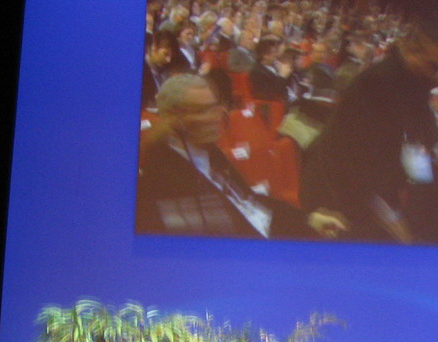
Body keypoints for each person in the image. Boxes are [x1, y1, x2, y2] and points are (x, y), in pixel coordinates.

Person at [301, 21, 438, 245]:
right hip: (337, 183)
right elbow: (361, 163)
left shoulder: (414, 76)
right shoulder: (376, 84)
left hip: (376, 177)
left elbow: (425, 119)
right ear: (411, 52)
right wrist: (392, 217)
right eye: (434, 67)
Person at [135, 74, 347, 240]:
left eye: (215, 106)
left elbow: (248, 202)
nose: (217, 116)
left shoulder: (209, 152)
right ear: (172, 118)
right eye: (202, 111)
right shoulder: (161, 179)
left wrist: (308, 219)